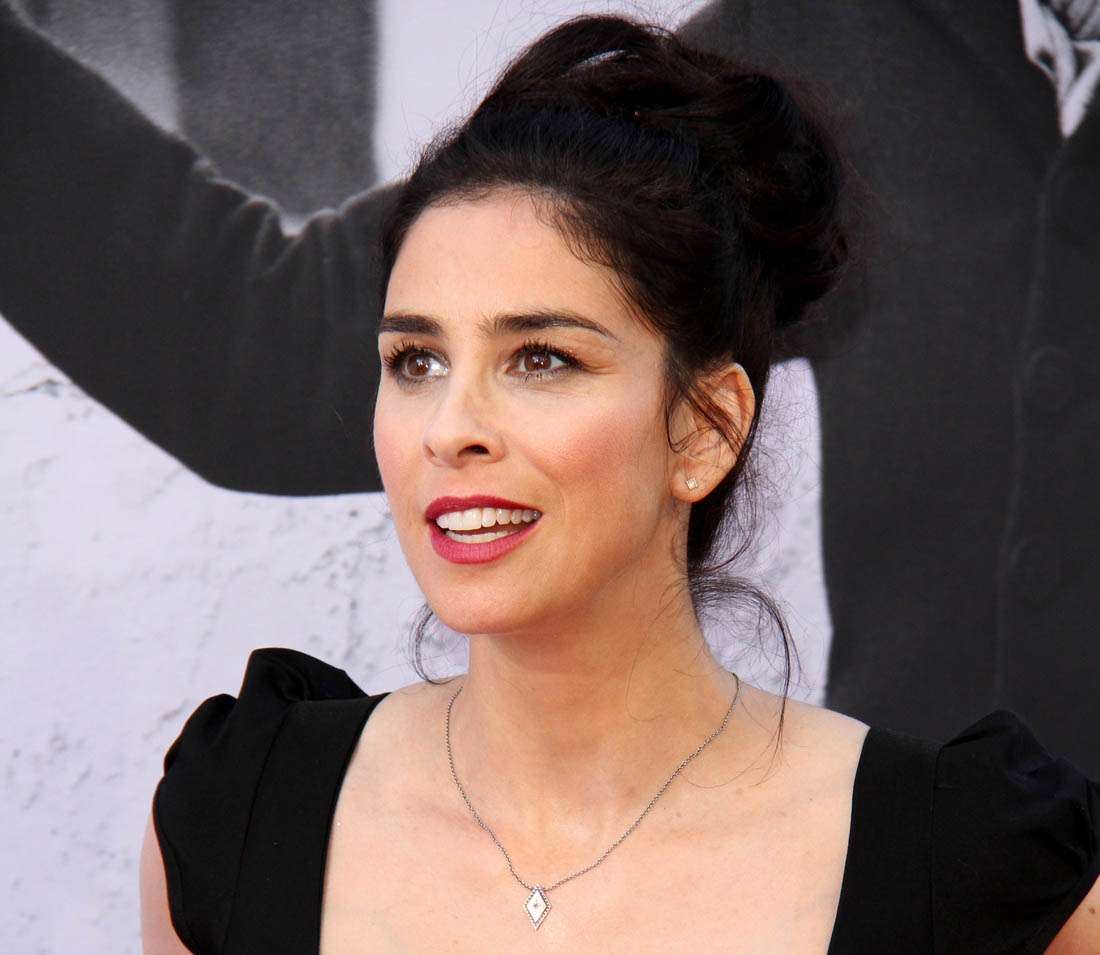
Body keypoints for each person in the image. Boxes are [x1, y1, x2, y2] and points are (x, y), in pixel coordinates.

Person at [129, 16, 1100, 954]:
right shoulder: (242, 818)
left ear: (705, 426)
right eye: (415, 361)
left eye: (540, 358)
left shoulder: (956, 872)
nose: (449, 429)